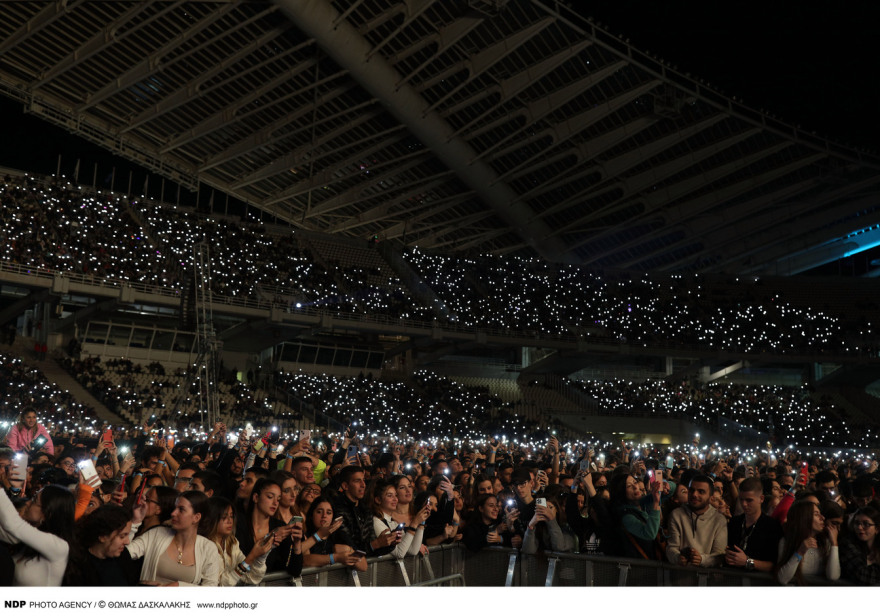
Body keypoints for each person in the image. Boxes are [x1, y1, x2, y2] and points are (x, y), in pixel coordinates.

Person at [127, 490, 222, 585]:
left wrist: (179, 586)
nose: (173, 513)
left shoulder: (208, 548)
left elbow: (211, 587)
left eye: (181, 509)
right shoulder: (156, 534)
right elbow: (125, 553)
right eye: (174, 508)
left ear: (196, 517)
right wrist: (135, 522)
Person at [0, 485, 74, 585]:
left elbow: (13, 525)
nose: (27, 503)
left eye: (34, 501)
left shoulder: (59, 546)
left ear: (48, 513)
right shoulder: (26, 539)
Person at [235, 478, 303, 576]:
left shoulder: (280, 526)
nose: (275, 503)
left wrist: (297, 543)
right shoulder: (239, 523)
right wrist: (270, 536)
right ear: (256, 497)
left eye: (278, 499)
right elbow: (237, 562)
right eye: (270, 497)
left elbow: (295, 571)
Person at [199, 496, 271, 586]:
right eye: (224, 517)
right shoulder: (204, 545)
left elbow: (251, 577)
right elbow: (220, 585)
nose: (230, 521)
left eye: (231, 516)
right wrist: (251, 556)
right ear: (212, 518)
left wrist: (261, 556)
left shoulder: (232, 542)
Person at [666, 475, 727, 567]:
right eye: (691, 490)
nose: (694, 494)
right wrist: (678, 558)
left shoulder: (719, 520)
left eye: (701, 492)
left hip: (707, 577)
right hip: (680, 575)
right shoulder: (677, 515)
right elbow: (672, 547)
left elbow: (719, 554)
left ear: (710, 497)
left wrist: (702, 559)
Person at [725, 477, 783, 573]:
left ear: (761, 498)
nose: (744, 504)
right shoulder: (734, 523)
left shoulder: (772, 526)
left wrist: (747, 561)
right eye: (741, 499)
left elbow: (776, 565)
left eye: (749, 500)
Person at [776, 499, 840, 585]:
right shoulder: (786, 541)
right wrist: (800, 552)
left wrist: (834, 545)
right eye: (816, 514)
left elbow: (833, 576)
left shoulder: (824, 542)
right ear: (804, 518)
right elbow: (783, 579)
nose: (823, 518)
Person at [76, 504, 140, 586]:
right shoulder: (78, 567)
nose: (127, 541)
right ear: (103, 536)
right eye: (122, 536)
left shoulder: (123, 555)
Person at [303, 497, 366, 571]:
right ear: (311, 515)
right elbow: (305, 560)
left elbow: (364, 566)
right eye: (319, 512)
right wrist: (336, 557)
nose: (324, 516)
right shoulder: (306, 535)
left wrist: (349, 550)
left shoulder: (340, 535)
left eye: (329, 513)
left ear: (333, 517)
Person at [608, 473, 662, 559]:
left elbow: (670, 491)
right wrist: (655, 503)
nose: (635, 487)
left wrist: (665, 486)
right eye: (629, 486)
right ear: (621, 491)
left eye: (635, 482)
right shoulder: (627, 517)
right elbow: (650, 534)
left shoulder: (641, 502)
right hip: (639, 565)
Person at [369, 477, 424, 558]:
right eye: (389, 496)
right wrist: (414, 524)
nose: (395, 499)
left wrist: (421, 523)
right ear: (378, 500)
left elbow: (413, 550)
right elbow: (399, 553)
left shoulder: (393, 522)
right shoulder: (376, 521)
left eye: (395, 495)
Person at [522, 487, 577, 554]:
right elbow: (528, 551)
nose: (546, 511)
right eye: (544, 508)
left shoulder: (566, 525)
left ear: (556, 509)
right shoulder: (538, 527)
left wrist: (551, 520)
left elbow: (559, 547)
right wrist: (530, 526)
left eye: (550, 507)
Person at [839, 505, 880, 585]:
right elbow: (861, 574)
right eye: (857, 523)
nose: (860, 527)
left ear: (877, 529)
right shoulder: (847, 544)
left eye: (866, 524)